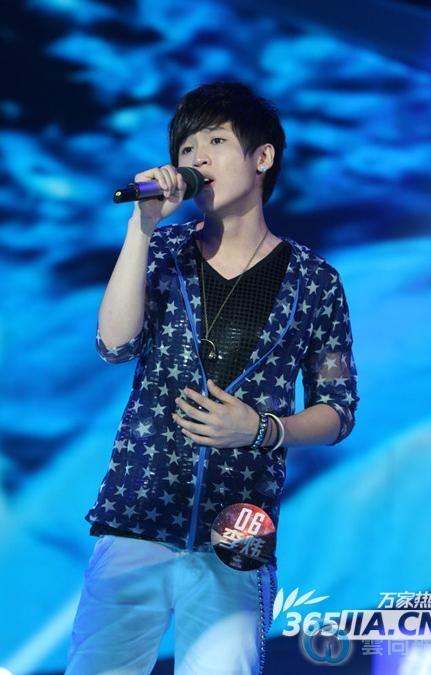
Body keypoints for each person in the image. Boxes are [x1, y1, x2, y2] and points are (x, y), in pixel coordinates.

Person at [65, 81, 359, 675]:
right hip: (138, 514)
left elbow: (337, 409)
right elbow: (114, 345)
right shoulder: (162, 251)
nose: (196, 158)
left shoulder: (315, 282)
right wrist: (142, 227)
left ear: (262, 156)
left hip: (238, 528)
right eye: (186, 147)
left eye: (216, 141)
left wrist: (263, 429)